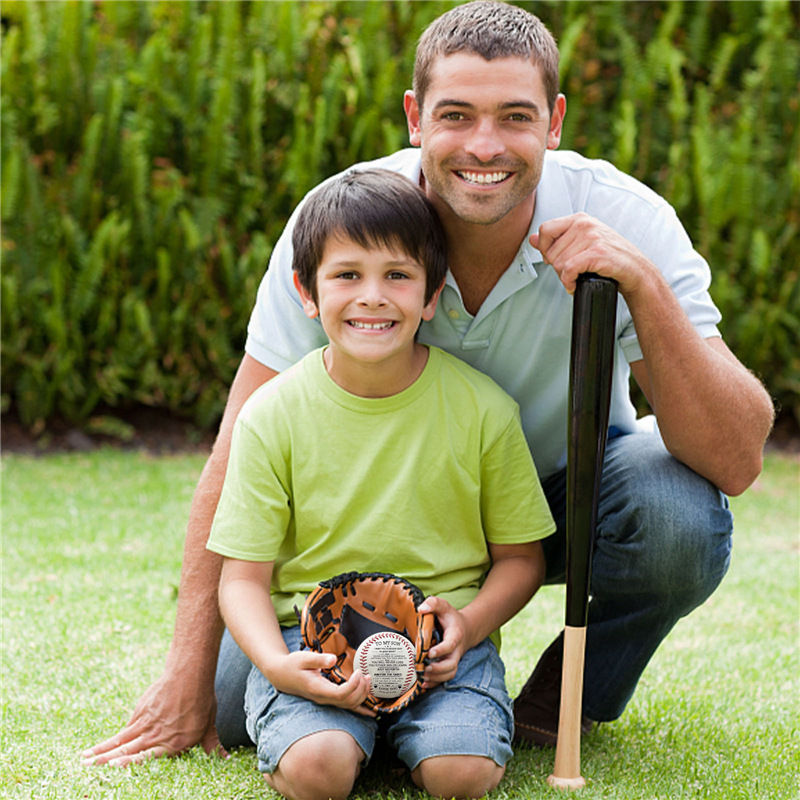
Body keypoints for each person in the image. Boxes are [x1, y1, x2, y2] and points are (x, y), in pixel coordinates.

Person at [83, 0, 774, 769]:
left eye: (515, 116)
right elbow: (237, 446)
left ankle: (559, 698)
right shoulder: (342, 222)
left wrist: (641, 283)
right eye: (456, 115)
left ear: (554, 122)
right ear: (415, 117)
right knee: (230, 705)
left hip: (554, 510)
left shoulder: (622, 217)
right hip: (356, 541)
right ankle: (398, 709)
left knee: (677, 513)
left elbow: (736, 459)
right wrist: (184, 679)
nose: (485, 145)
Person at [205, 168, 554, 800]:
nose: (372, 297)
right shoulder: (271, 415)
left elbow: (522, 559)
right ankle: (343, 737)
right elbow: (242, 580)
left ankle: (415, 738)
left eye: (397, 275)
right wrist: (280, 666)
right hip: (308, 643)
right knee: (317, 769)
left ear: (431, 294)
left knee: (461, 775)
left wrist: (469, 625)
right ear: (306, 292)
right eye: (347, 275)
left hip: (443, 650)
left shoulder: (484, 411)